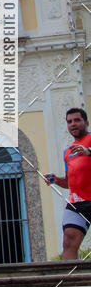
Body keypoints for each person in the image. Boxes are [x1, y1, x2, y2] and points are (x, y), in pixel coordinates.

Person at [44, 107, 91, 260]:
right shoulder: (68, 152)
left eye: (77, 120)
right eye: (69, 121)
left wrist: (89, 152)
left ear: (86, 122)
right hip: (77, 203)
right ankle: (69, 281)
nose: (73, 124)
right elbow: (69, 182)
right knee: (68, 241)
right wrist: (56, 180)